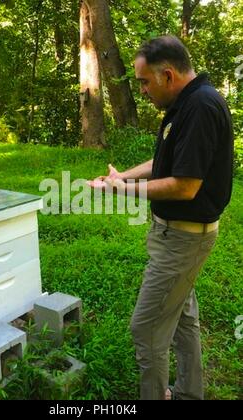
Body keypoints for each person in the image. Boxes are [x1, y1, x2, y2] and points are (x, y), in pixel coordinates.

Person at [88, 35, 234, 400]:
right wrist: (122, 176)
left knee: (146, 328)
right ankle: (188, 393)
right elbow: (164, 164)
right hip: (178, 237)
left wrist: (119, 191)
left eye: (143, 82)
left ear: (167, 75)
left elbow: (184, 186)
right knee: (184, 321)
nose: (141, 90)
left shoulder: (200, 106)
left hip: (183, 240)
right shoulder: (185, 104)